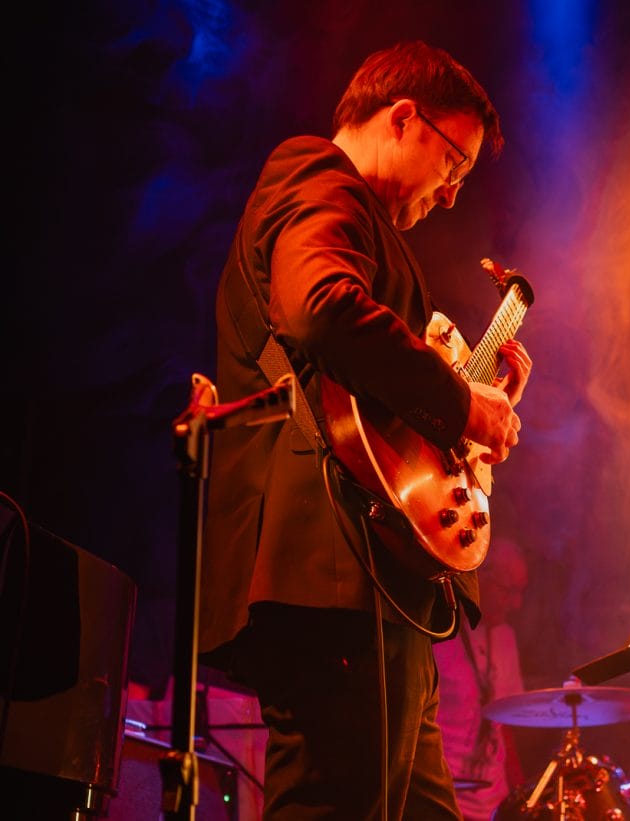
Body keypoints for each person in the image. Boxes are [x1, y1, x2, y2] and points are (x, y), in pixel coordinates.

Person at [197, 40, 531, 820]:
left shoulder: (360, 223)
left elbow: (367, 398)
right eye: (454, 165)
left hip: (374, 581)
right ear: (404, 118)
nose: (452, 195)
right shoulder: (317, 175)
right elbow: (319, 307)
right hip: (332, 575)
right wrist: (458, 402)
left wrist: (474, 403)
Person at [433, 536, 529, 820]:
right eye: (509, 591)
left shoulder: (506, 638)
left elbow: (504, 728)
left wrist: (520, 793)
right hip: (447, 799)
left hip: (494, 802)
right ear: (479, 577)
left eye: (521, 592)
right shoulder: (440, 634)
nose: (517, 604)